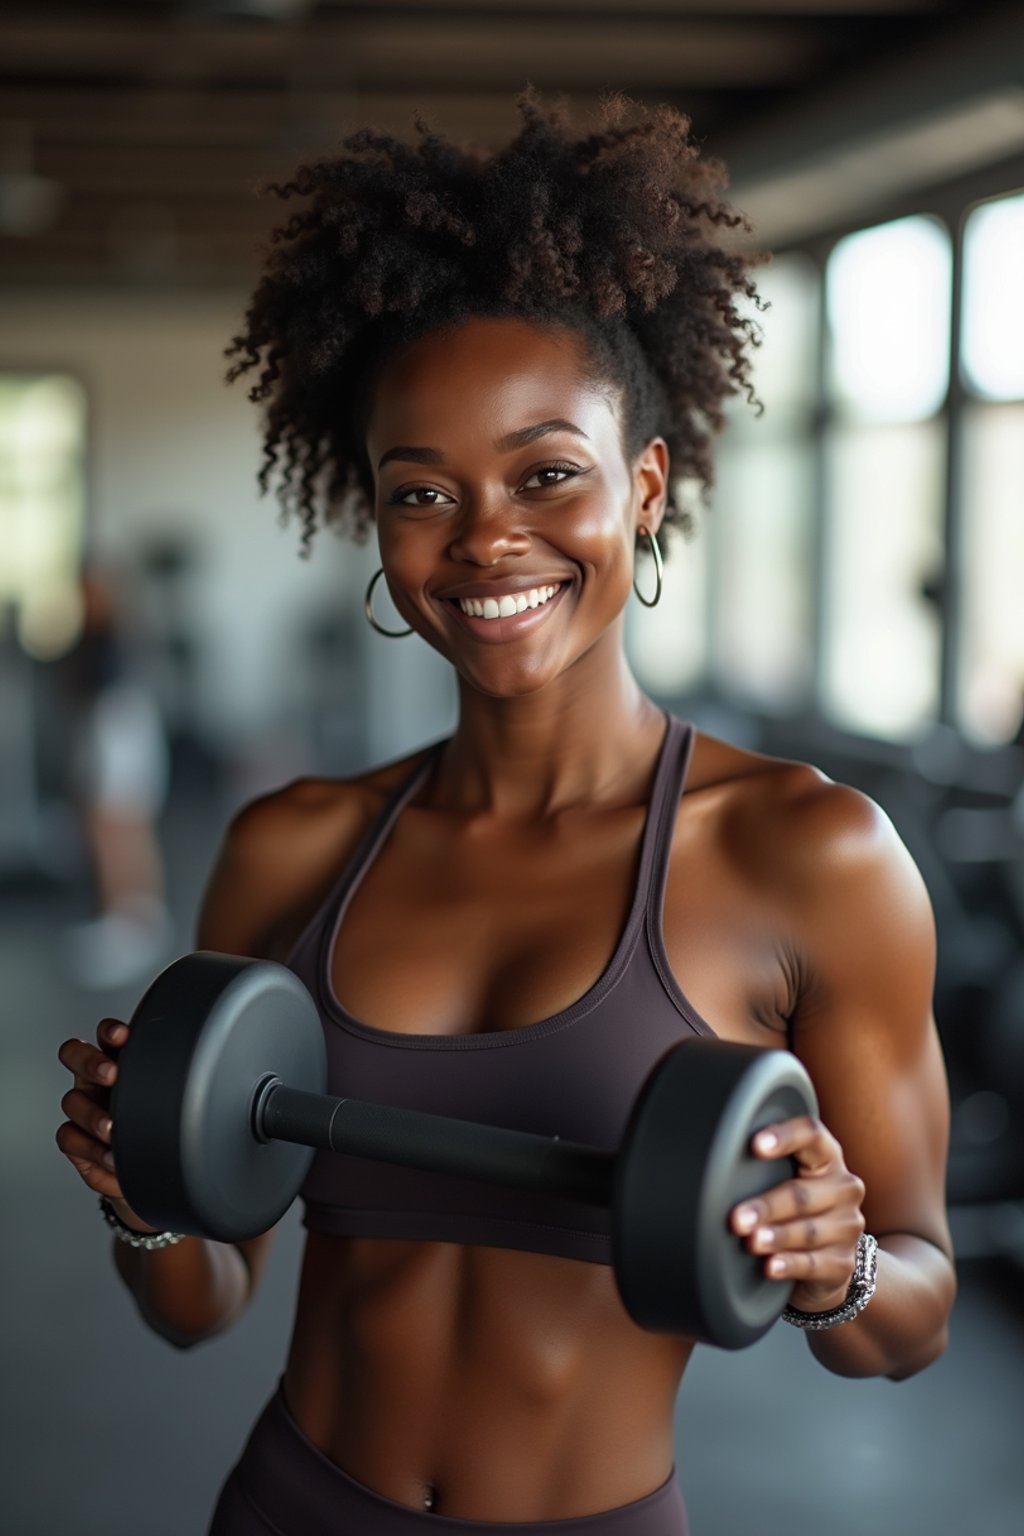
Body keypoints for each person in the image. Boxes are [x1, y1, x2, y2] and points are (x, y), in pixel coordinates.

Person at [56, 92, 956, 1534]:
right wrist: (141, 1188)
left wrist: (834, 1257)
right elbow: (200, 1304)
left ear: (644, 488)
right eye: (424, 493)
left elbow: (909, 1319)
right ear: (376, 520)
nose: (486, 539)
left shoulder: (811, 856)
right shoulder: (291, 846)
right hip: (291, 1502)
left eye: (548, 474)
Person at [55, 565, 173, 989]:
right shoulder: (94, 636)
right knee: (109, 828)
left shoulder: (118, 638)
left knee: (119, 828)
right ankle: (126, 918)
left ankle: (134, 921)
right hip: (105, 732)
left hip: (117, 735)